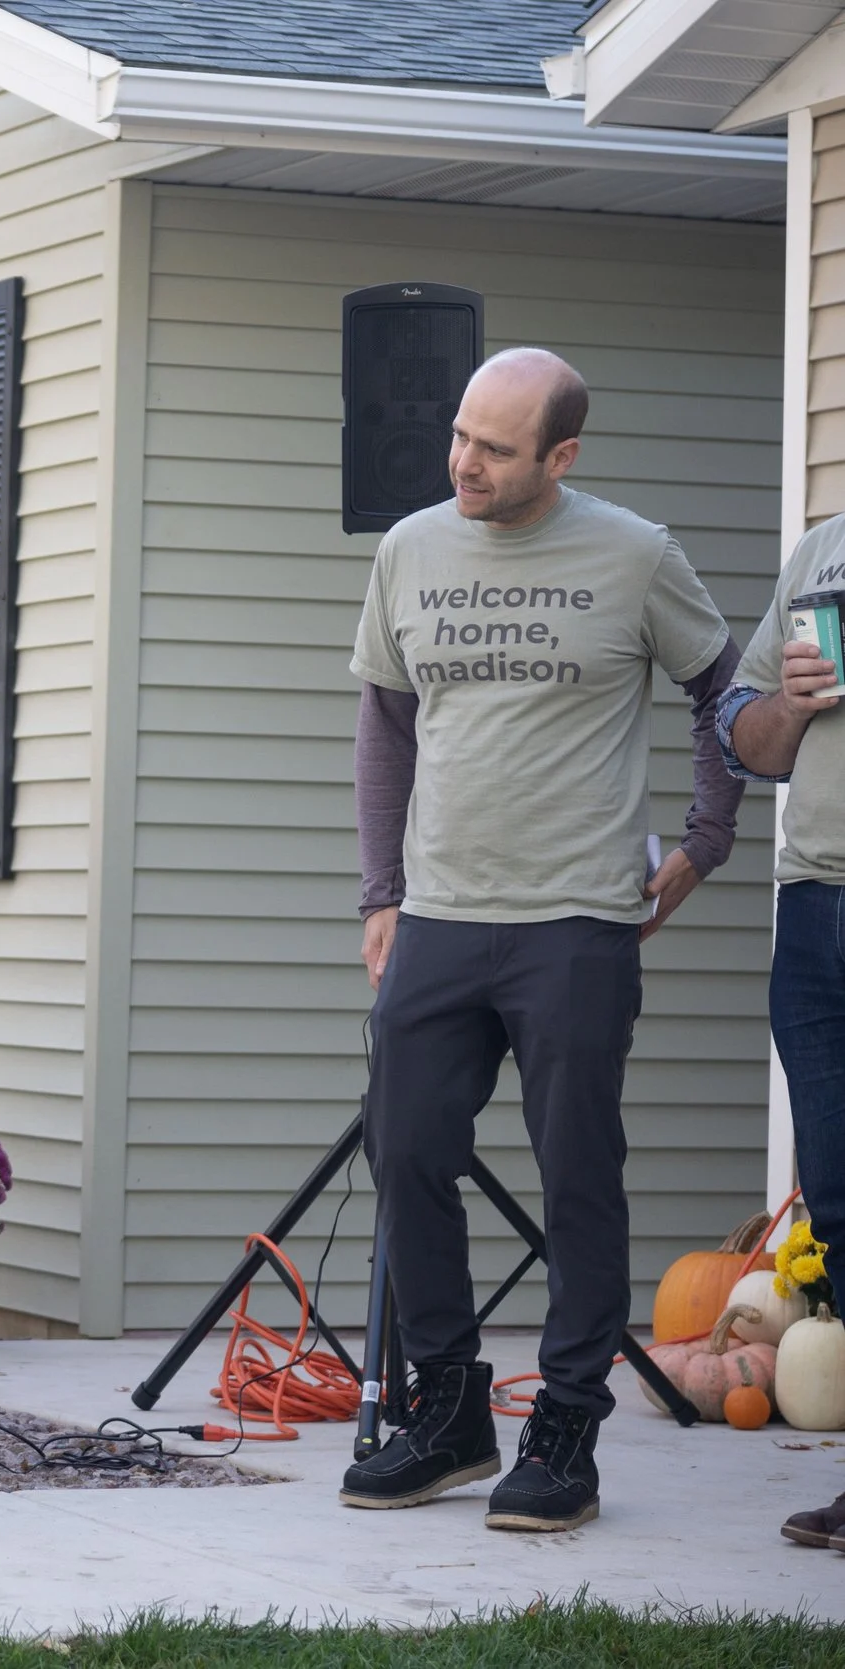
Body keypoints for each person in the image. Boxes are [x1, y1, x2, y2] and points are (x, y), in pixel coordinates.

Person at [339, 348, 741, 1532]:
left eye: (496, 448)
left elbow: (721, 690)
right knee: (404, 1146)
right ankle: (452, 1409)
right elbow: (384, 724)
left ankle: (564, 1428)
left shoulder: (634, 553)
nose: (464, 461)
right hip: (441, 914)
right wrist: (382, 890)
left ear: (560, 456)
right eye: (459, 435)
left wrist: (702, 842)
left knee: (578, 1175)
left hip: (576, 919)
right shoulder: (409, 548)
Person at [716, 510, 845, 1550]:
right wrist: (790, 707)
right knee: (840, 1203)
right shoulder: (822, 548)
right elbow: (746, 735)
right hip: (812, 911)